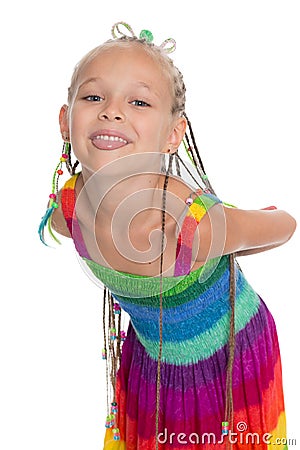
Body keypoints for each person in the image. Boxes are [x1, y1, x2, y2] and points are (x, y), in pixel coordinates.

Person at [39, 22, 296, 450]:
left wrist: (234, 227)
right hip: (153, 363)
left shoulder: (194, 226)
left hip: (227, 363)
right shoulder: (68, 211)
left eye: (138, 101)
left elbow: (285, 226)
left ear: (174, 135)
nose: (111, 111)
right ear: (66, 121)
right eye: (93, 96)